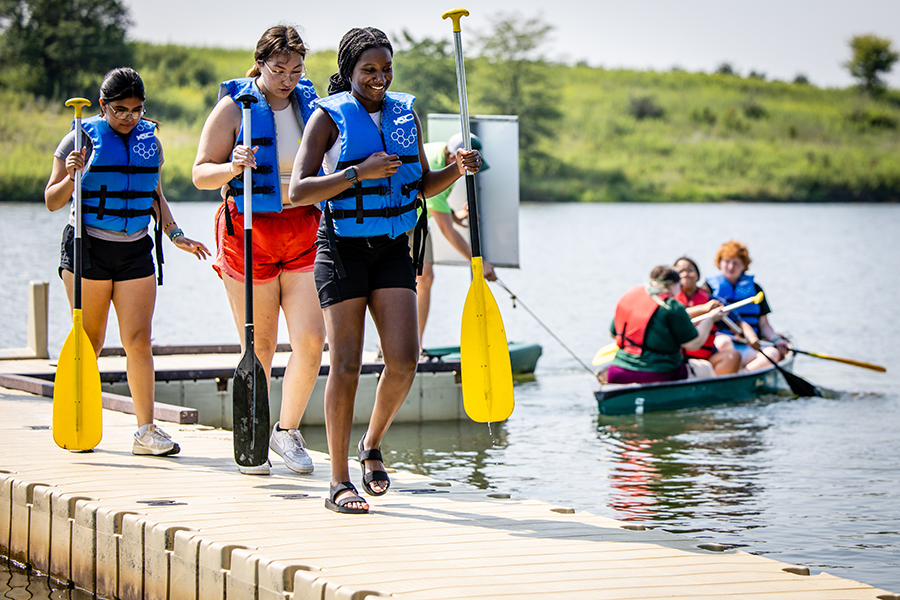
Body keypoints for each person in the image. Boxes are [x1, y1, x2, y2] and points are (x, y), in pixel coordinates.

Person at [289, 27, 483, 514]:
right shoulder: (326, 118)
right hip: (342, 249)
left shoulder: (404, 114)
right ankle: (337, 483)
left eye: (386, 68)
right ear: (349, 72)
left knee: (403, 358)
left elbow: (419, 183)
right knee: (348, 363)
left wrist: (457, 169)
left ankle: (371, 445)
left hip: (394, 246)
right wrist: (358, 172)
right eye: (369, 70)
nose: (380, 78)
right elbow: (298, 191)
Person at [45, 67, 211, 456]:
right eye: (120, 110)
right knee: (91, 340)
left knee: (138, 340)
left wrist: (175, 234)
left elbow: (152, 192)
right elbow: (52, 201)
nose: (128, 118)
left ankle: (146, 432)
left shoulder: (147, 142)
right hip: (89, 247)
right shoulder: (79, 136)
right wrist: (72, 176)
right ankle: (76, 416)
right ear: (102, 106)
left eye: (136, 110)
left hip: (136, 247)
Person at [192, 25, 324, 476]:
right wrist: (232, 165)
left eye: (296, 69)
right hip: (248, 233)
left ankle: (286, 432)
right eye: (278, 68)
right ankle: (254, 437)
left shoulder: (311, 107)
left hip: (302, 228)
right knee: (261, 344)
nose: (287, 78)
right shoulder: (234, 108)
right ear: (260, 63)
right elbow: (200, 174)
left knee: (311, 339)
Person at [414, 132, 496, 347]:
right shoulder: (434, 165)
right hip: (398, 220)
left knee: (424, 278)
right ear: (454, 158)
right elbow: (447, 231)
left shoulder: (447, 154)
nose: (470, 171)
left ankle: (416, 345)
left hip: (419, 219)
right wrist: (480, 263)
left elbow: (436, 204)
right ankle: (403, 346)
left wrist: (456, 216)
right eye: (468, 165)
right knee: (413, 279)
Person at [608, 266, 722, 384]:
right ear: (673, 285)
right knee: (706, 368)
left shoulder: (630, 296)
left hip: (617, 372)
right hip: (660, 373)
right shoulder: (672, 305)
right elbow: (693, 344)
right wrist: (710, 319)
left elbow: (613, 333)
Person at [706, 240, 791, 371]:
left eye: (736, 263)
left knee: (773, 354)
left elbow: (764, 324)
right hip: (722, 345)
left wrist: (775, 340)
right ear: (719, 263)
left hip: (750, 346)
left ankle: (744, 375)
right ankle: (728, 370)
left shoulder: (755, 289)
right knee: (723, 342)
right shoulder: (708, 289)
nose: (730, 266)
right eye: (727, 261)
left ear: (744, 266)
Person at [673, 256, 741, 375]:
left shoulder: (712, 301)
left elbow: (737, 322)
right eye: (680, 271)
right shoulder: (670, 302)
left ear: (698, 276)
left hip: (706, 357)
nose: (685, 274)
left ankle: (713, 388)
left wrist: (751, 337)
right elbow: (679, 315)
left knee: (734, 356)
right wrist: (705, 309)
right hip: (678, 359)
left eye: (689, 270)